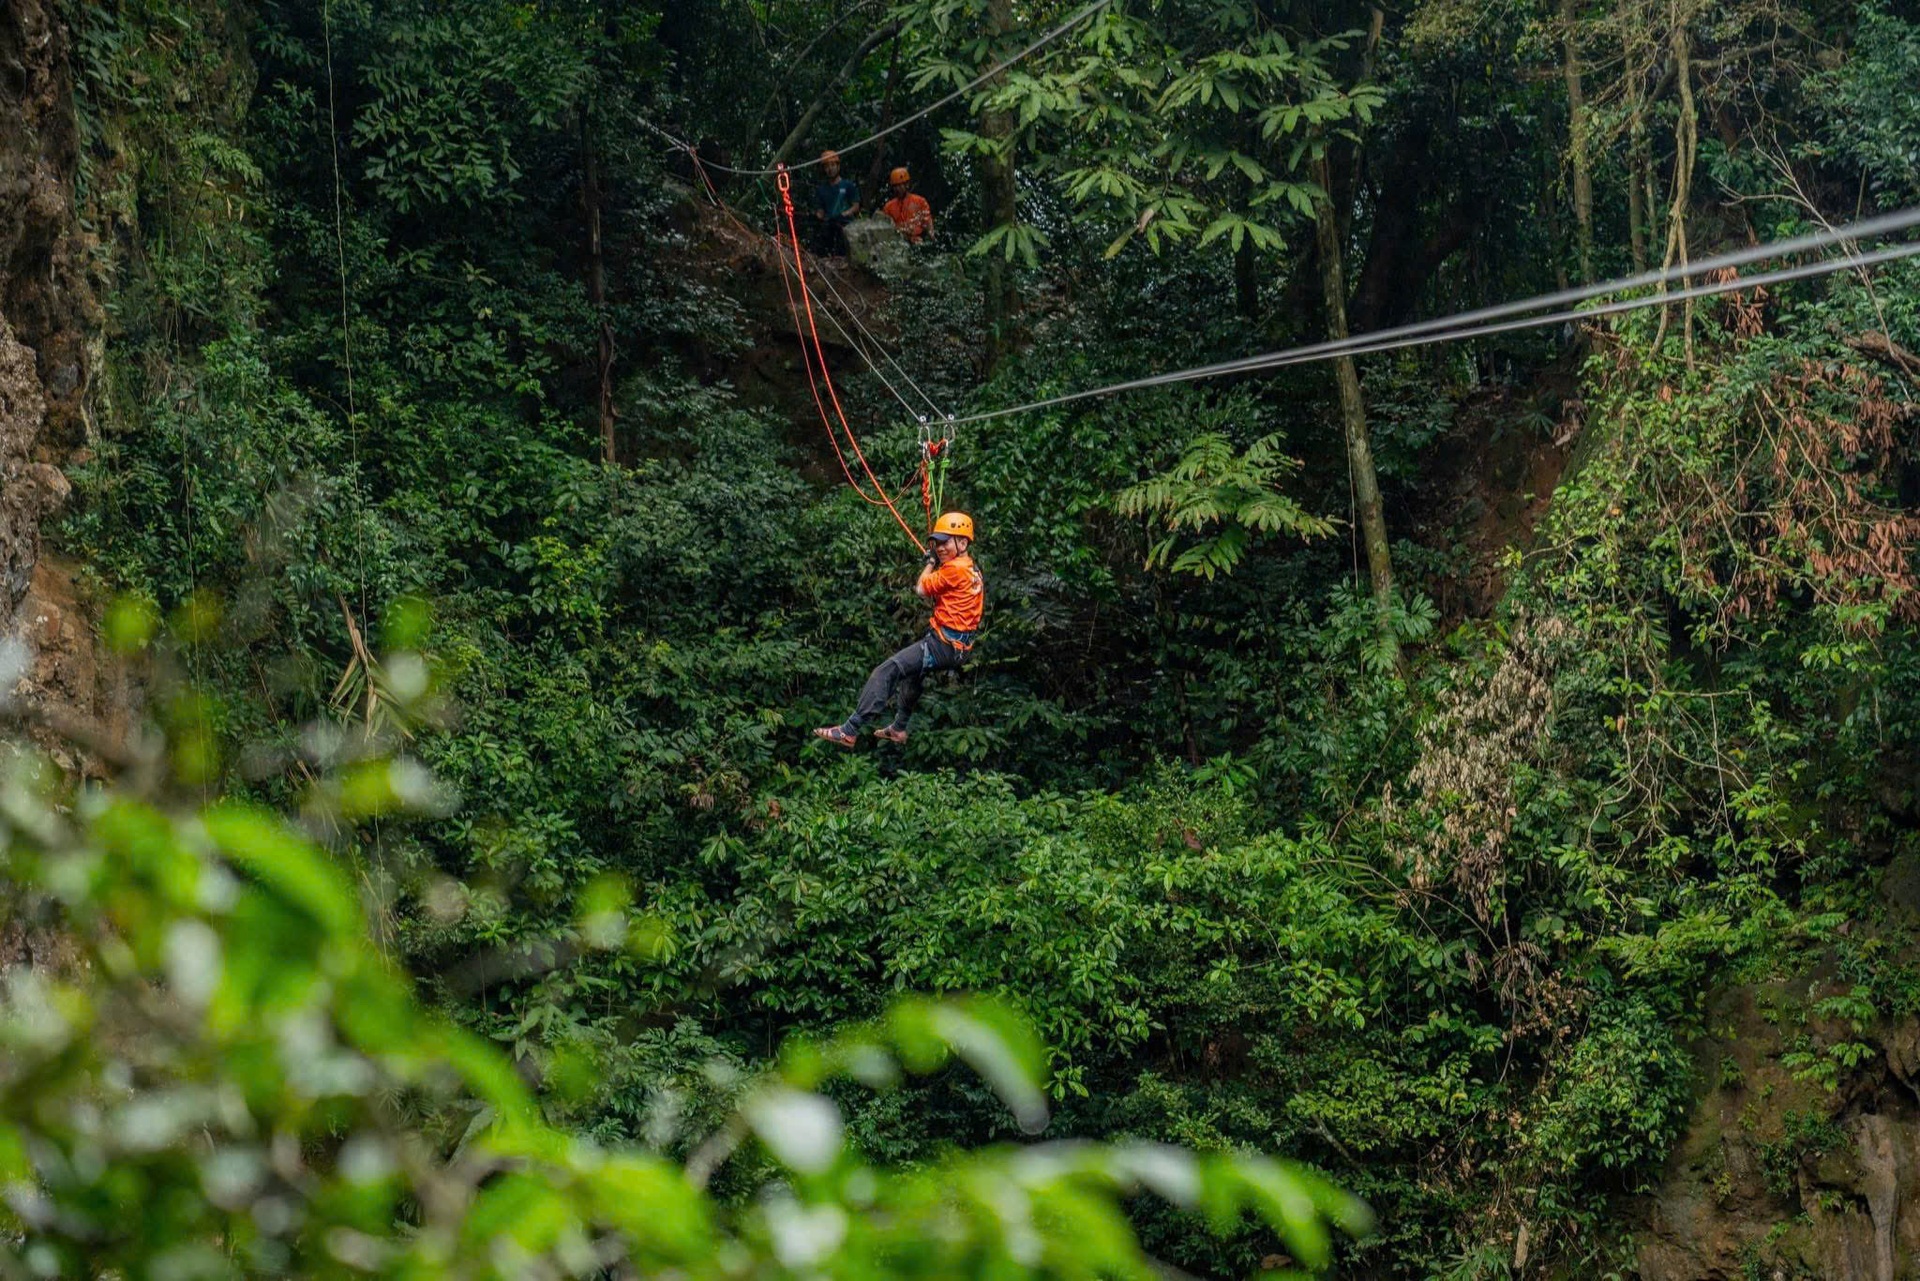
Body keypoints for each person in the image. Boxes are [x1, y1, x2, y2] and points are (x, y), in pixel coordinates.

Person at [815, 512, 984, 747]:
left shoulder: (953, 570)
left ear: (963, 543)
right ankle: (898, 728)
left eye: (946, 542)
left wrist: (930, 563)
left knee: (888, 670)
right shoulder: (971, 569)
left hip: (943, 645)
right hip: (957, 648)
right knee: (913, 675)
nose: (940, 547)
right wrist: (937, 562)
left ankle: (849, 730)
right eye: (938, 543)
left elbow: (921, 589)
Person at [811, 150, 861, 257]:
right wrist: (817, 216)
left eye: (832, 165)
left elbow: (856, 206)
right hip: (830, 226)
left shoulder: (848, 185)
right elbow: (820, 211)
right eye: (827, 166)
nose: (830, 169)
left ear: (838, 166)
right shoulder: (822, 190)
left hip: (846, 225)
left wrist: (844, 214)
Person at [881, 167, 934, 244]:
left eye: (900, 185)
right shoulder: (888, 207)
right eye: (896, 186)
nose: (898, 189)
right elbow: (886, 228)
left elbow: (928, 221)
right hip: (899, 240)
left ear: (907, 184)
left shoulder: (920, 201)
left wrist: (931, 237)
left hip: (919, 239)